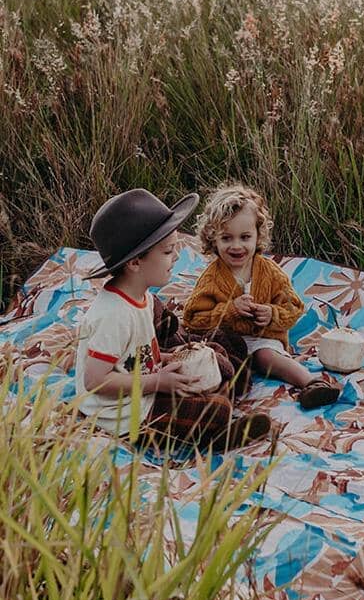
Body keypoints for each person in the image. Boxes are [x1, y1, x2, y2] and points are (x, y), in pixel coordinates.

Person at [75, 188, 271, 451]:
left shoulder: (141, 297)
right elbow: (95, 381)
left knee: (214, 355)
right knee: (218, 408)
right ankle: (214, 434)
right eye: (168, 251)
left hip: (143, 383)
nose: (177, 257)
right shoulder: (113, 315)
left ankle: (208, 411)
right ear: (135, 263)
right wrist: (156, 382)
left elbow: (136, 354)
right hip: (121, 413)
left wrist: (171, 358)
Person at [183, 184, 341, 409]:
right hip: (225, 342)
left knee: (268, 357)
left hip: (261, 340)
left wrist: (272, 314)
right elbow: (192, 319)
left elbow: (294, 307)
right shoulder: (211, 278)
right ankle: (219, 408)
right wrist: (230, 311)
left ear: (258, 236)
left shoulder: (269, 272)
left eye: (245, 237)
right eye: (227, 238)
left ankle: (312, 384)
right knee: (216, 364)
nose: (236, 246)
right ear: (212, 239)